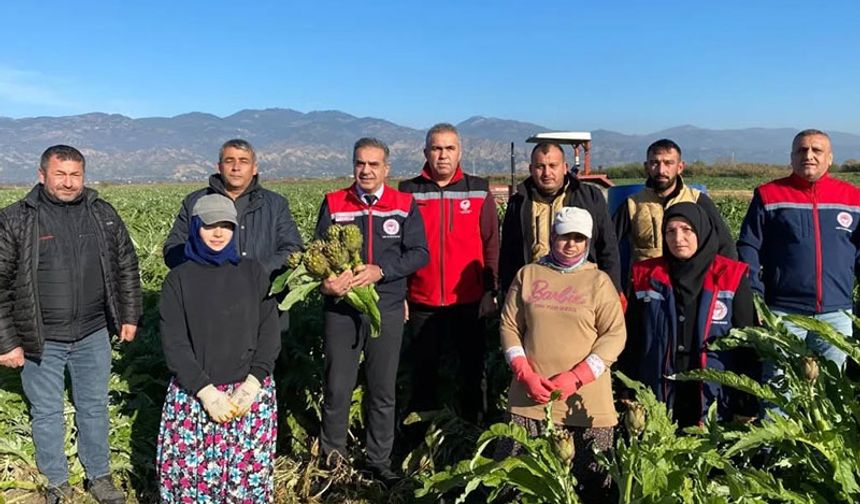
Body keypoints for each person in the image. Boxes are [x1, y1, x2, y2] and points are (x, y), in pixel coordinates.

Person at [0, 145, 141, 504]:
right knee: (46, 411)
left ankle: (100, 476)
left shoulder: (102, 214)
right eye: (60, 174)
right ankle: (56, 482)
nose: (68, 182)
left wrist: (129, 314)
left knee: (94, 405)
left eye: (75, 174)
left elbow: (126, 265)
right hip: (40, 336)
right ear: (42, 175)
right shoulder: (16, 219)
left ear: (83, 176)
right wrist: (6, 341)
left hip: (93, 332)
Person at [314, 137, 428, 485]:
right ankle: (332, 464)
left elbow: (419, 253)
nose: (366, 170)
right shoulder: (334, 203)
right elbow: (317, 253)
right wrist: (327, 284)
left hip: (387, 308)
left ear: (386, 169)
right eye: (360, 163)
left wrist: (382, 271)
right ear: (353, 165)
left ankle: (378, 462)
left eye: (373, 164)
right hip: (342, 312)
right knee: (337, 388)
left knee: (382, 389)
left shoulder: (403, 205)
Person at [157, 193, 280, 502]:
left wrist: (253, 383)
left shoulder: (253, 273)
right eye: (209, 225)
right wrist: (207, 393)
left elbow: (269, 331)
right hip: (195, 399)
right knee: (193, 483)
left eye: (226, 226)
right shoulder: (178, 280)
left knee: (246, 483)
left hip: (247, 399)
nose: (218, 233)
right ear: (195, 227)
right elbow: (175, 343)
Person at [498, 207, 626, 501]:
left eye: (579, 239)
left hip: (584, 406)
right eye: (564, 237)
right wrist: (524, 372)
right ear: (552, 237)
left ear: (588, 242)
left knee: (591, 489)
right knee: (514, 485)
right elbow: (509, 326)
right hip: (529, 402)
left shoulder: (599, 282)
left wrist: (577, 377)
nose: (571, 244)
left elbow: (615, 335)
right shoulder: (529, 275)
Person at [398, 123, 499, 424]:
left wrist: (491, 290)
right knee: (423, 373)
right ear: (426, 152)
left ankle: (472, 431)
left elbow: (491, 243)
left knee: (472, 371)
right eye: (436, 148)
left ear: (459, 152)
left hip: (468, 300)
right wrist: (401, 294)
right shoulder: (408, 191)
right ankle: (421, 436)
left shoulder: (478, 189)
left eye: (449, 148)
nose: (443, 155)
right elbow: (397, 248)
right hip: (421, 300)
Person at [621, 202, 757, 427]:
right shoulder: (646, 275)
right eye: (670, 231)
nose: (678, 238)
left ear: (702, 231)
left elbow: (747, 342)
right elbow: (633, 337)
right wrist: (627, 385)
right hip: (659, 389)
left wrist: (746, 401)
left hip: (713, 394)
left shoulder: (730, 275)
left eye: (687, 230)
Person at [738, 129, 860, 371]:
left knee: (832, 387)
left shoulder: (852, 198)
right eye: (802, 150)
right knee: (780, 385)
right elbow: (748, 246)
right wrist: (755, 294)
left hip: (836, 313)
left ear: (830, 158)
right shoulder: (769, 195)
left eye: (817, 150)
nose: (809, 155)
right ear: (792, 157)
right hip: (783, 312)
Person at [162, 138, 303, 328]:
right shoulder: (195, 202)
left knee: (266, 346)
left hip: (263, 302)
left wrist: (254, 273)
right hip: (207, 305)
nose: (236, 167)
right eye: (229, 161)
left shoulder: (275, 204)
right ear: (219, 166)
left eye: (243, 161)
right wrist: (207, 273)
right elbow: (173, 249)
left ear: (254, 168)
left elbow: (293, 249)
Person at [501, 142, 622, 296]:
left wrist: (613, 289)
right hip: (533, 291)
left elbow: (607, 247)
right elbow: (508, 253)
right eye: (540, 167)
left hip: (580, 291)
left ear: (564, 168)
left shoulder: (590, 198)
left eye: (553, 166)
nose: (547, 173)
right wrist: (507, 291)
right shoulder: (518, 202)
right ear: (531, 169)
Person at [614, 138, 736, 287]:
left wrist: (724, 285)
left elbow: (725, 246)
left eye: (668, 163)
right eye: (655, 163)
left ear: (680, 167)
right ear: (646, 167)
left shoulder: (697, 200)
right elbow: (608, 246)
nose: (661, 170)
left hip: (691, 286)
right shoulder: (633, 204)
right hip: (646, 287)